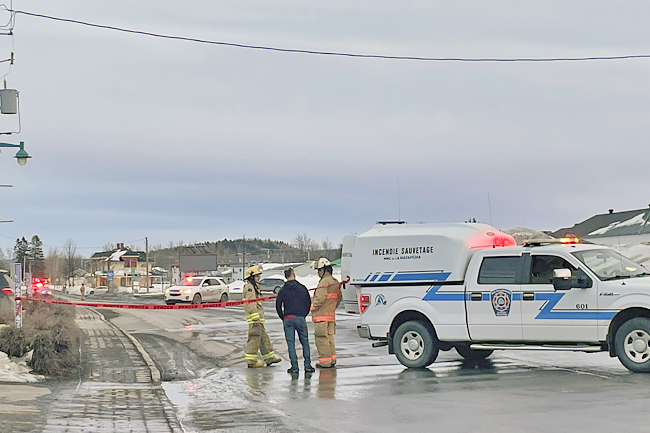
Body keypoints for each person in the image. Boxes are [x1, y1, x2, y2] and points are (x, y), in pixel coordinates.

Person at [275, 267, 315, 374]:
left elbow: (278, 305)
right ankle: (307, 365)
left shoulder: (283, 290)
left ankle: (294, 367)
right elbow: (308, 303)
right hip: (300, 318)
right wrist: (303, 315)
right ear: (293, 274)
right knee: (305, 342)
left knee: (291, 344)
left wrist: (283, 317)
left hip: (288, 319)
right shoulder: (302, 288)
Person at [243, 265, 282, 368]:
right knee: (254, 338)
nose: (258, 278)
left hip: (258, 319)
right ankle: (251, 361)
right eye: (256, 276)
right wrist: (255, 317)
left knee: (264, 339)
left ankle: (269, 358)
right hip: (254, 320)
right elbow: (251, 304)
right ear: (251, 277)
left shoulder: (254, 287)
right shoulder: (250, 288)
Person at [310, 258, 342, 368]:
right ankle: (332, 360)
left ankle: (325, 362)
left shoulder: (324, 282)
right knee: (330, 339)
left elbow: (319, 298)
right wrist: (332, 308)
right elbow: (338, 298)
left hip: (321, 318)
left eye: (319, 270)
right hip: (330, 317)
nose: (318, 273)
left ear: (325, 270)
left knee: (322, 340)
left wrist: (312, 307)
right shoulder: (335, 281)